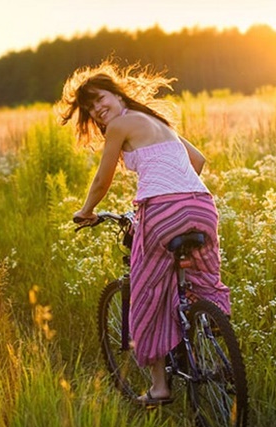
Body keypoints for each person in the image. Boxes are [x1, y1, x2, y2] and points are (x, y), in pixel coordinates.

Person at [55, 59, 231, 405]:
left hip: (162, 212)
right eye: (91, 108)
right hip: (201, 206)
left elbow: (102, 179)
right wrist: (177, 188)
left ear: (117, 94)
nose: (98, 109)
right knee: (204, 283)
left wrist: (86, 210)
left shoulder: (121, 124)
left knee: (147, 294)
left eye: (100, 98)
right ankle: (213, 343)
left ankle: (160, 387)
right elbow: (198, 161)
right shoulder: (158, 122)